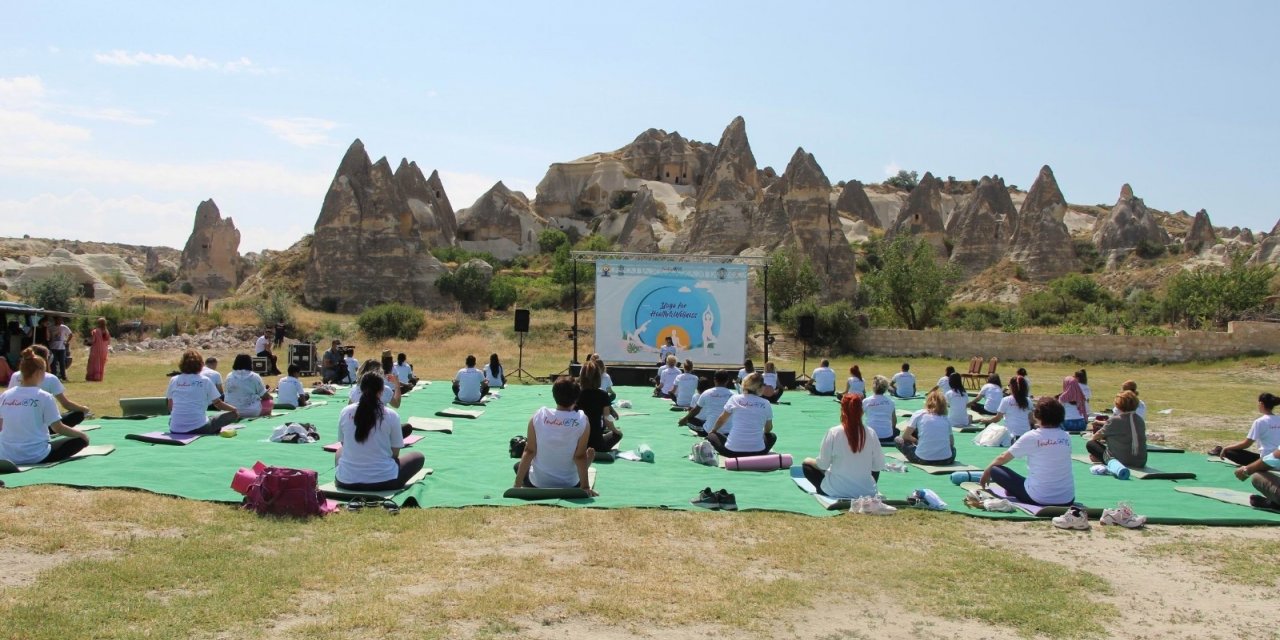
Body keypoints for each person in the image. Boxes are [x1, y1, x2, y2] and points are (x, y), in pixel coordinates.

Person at [334, 372, 425, 492]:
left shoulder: (346, 411)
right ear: (382, 390)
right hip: (384, 481)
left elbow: (344, 444)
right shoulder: (391, 415)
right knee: (418, 457)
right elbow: (394, 454)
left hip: (345, 481)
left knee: (340, 452)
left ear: (360, 389)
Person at [0, 350, 91, 466]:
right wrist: (81, 435)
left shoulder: (5, 395)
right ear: (39, 372)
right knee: (81, 440)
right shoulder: (44, 396)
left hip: (6, 455)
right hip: (37, 455)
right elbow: (58, 428)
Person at [980, 397, 1075, 507]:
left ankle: (1015, 490)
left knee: (995, 470)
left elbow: (1003, 458)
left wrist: (986, 472)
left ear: (1037, 415)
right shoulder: (1066, 436)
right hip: (1067, 498)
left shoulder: (1032, 436)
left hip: (1038, 497)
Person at [514, 376, 595, 495]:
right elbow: (580, 456)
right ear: (577, 397)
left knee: (517, 466)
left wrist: (516, 485)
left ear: (554, 394)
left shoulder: (539, 415)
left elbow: (530, 450)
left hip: (538, 483)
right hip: (570, 484)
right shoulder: (582, 420)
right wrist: (585, 487)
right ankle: (582, 471)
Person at [802, 394, 886, 499]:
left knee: (806, 466)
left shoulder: (834, 432)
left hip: (836, 490)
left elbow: (823, 465)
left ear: (842, 410)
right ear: (861, 411)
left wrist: (808, 460)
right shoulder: (871, 433)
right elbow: (878, 465)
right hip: (867, 491)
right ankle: (862, 487)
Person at [7, 345, 91, 427]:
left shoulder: (15, 376)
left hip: (17, 422)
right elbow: (65, 404)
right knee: (78, 414)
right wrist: (84, 409)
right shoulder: (50, 380)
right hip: (42, 426)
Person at [166, 349, 238, 434]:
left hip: (175, 428)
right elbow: (218, 404)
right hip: (200, 427)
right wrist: (234, 409)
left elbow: (170, 405)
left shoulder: (174, 380)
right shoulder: (205, 380)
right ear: (200, 364)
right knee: (232, 415)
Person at [707, 372, 776, 457]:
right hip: (758, 452)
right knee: (772, 436)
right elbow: (768, 429)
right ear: (759, 387)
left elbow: (722, 419)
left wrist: (713, 431)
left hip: (732, 452)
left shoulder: (735, 398)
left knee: (712, 435)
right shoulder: (766, 403)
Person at [1210, 393, 1280, 466]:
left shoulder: (1260, 422)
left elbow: (1246, 444)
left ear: (1261, 403)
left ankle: (1220, 451)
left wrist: (1226, 448)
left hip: (1267, 463)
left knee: (1229, 451)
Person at [1086, 391, 1146, 467]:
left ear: (1118, 405)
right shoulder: (1140, 420)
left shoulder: (1114, 420)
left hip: (1120, 462)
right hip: (1141, 461)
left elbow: (1095, 437)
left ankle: (1103, 459)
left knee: (1091, 444)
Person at [896, 389, 955, 465]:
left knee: (898, 439)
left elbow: (905, 436)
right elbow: (951, 443)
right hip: (946, 460)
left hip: (923, 459)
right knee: (953, 449)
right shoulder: (946, 418)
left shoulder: (919, 413)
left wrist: (916, 441)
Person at [577, 360, 622, 453]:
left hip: (578, 442)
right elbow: (607, 419)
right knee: (618, 434)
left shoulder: (576, 393)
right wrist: (616, 431)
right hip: (597, 445)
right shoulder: (603, 394)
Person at [679, 369, 734, 436]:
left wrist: (684, 419)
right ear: (727, 381)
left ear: (714, 380)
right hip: (729, 432)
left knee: (689, 418)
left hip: (709, 431)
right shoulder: (733, 395)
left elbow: (695, 410)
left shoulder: (706, 393)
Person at [979, 375, 1034, 440]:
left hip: (1010, 435)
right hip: (1025, 435)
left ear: (1011, 387)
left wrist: (987, 420)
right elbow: (1031, 420)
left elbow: (997, 419)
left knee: (990, 428)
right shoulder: (1028, 400)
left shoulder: (1006, 400)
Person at [225, 354, 271, 419]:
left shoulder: (229, 376)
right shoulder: (255, 376)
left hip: (230, 411)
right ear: (250, 363)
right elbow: (265, 396)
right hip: (251, 411)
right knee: (270, 402)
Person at [862, 375, 898, 443]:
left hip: (870, 437)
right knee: (897, 431)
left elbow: (858, 418)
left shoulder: (866, 401)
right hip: (887, 436)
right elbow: (894, 421)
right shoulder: (891, 402)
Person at [85, 317, 110, 382]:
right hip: (104, 350)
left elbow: (93, 341)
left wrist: (87, 342)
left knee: (93, 363)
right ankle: (99, 377)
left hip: (96, 349)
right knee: (101, 364)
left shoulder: (95, 331)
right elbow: (108, 342)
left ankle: (93, 377)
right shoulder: (107, 331)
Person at [47, 316, 71, 381]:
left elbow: (70, 334)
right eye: (59, 320)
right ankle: (54, 376)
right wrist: (49, 340)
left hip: (62, 348)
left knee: (62, 362)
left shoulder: (64, 327)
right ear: (55, 320)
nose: (60, 321)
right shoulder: (51, 327)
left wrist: (66, 341)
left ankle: (64, 376)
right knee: (53, 362)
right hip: (53, 347)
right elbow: (48, 336)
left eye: (61, 320)